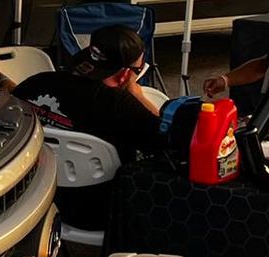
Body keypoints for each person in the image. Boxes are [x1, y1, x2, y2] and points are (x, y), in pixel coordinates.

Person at [14, 26, 165, 230]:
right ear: (125, 75)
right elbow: (168, 139)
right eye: (138, 70)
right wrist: (137, 94)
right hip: (101, 211)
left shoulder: (37, 82)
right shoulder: (119, 105)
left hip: (32, 198)